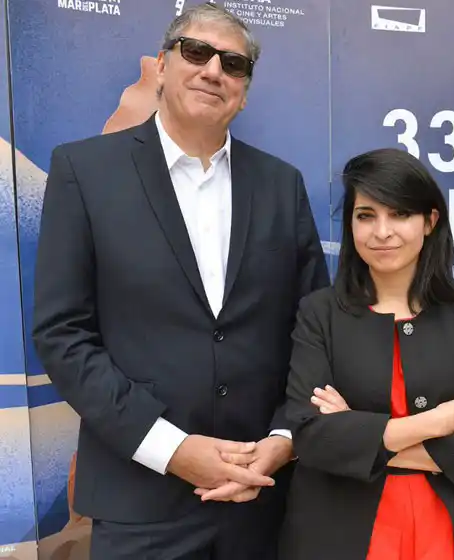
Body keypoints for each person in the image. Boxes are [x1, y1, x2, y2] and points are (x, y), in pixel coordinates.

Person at [31, 4, 329, 559]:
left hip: (261, 500)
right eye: (196, 52)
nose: (214, 70)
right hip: (140, 503)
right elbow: (62, 334)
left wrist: (284, 439)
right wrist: (170, 449)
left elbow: (314, 330)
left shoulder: (281, 185)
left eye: (233, 64)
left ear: (244, 90)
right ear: (163, 66)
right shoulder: (84, 172)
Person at [278, 147, 454, 559]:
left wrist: (358, 435)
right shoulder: (320, 313)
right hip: (341, 535)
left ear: (430, 221)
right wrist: (432, 423)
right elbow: (312, 437)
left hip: (450, 534)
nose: (382, 231)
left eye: (400, 214)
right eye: (366, 215)